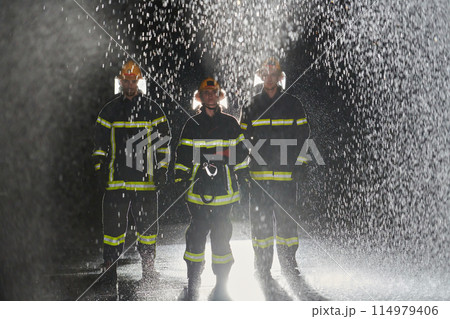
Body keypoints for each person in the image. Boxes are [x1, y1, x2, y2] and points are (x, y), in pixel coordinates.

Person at [92, 60, 171, 293]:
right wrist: (99, 169)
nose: (129, 84)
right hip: (116, 181)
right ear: (120, 81)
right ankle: (110, 265)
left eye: (133, 80)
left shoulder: (152, 108)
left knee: (147, 228)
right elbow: (99, 143)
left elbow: (163, 141)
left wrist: (162, 168)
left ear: (139, 81)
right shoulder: (109, 110)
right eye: (125, 80)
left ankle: (148, 266)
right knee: (113, 230)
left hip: (145, 181)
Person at [174, 77, 249, 300]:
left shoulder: (231, 123)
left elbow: (242, 152)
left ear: (219, 96)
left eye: (214, 92)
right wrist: (179, 179)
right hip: (197, 192)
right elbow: (183, 155)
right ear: (200, 96)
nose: (210, 96)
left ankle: (222, 281)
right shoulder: (191, 124)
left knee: (222, 235)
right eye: (206, 93)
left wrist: (243, 178)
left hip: (224, 190)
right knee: (196, 234)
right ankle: (194, 277)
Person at [240, 58, 310, 287]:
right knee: (260, 225)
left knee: (287, 225)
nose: (269, 78)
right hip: (259, 178)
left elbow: (303, 137)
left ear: (279, 77)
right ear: (261, 76)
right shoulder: (250, 105)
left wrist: (300, 164)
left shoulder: (293, 104)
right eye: (266, 74)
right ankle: (262, 266)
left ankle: (289, 263)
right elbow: (243, 141)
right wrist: (242, 168)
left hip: (286, 177)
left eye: (273, 74)